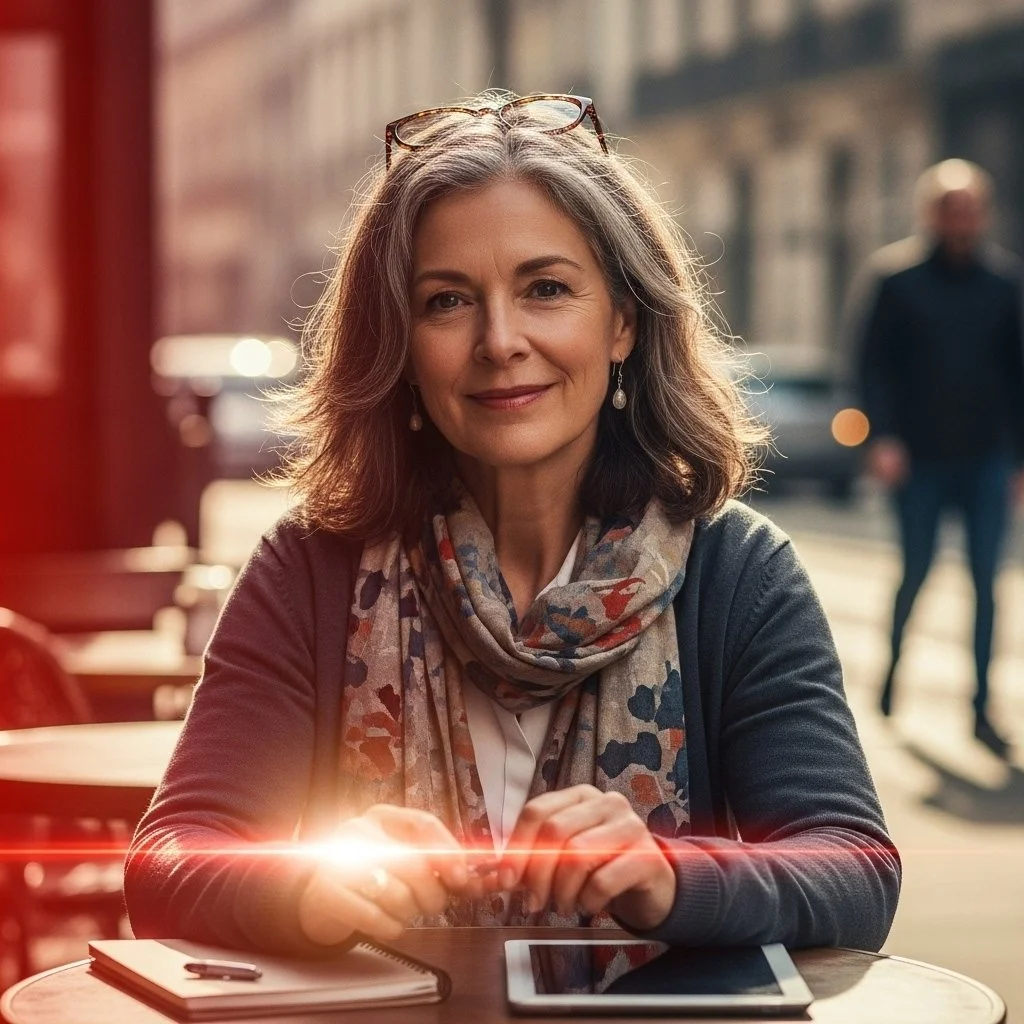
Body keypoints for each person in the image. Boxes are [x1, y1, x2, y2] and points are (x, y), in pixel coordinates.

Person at [125, 92, 900, 956]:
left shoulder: (738, 573)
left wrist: (672, 874)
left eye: (546, 289)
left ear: (623, 324)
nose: (500, 339)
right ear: (400, 346)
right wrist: (306, 881)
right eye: (447, 301)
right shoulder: (311, 565)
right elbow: (170, 859)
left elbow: (854, 868)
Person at [854, 159, 1024, 758]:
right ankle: (893, 675)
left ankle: (981, 711)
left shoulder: (1005, 285)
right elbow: (871, 366)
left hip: (986, 460)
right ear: (932, 213)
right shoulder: (895, 281)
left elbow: (1018, 376)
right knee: (917, 572)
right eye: (950, 208)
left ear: (983, 215)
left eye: (971, 208)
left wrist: (1019, 463)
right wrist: (883, 439)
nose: (961, 219)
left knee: (987, 583)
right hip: (919, 459)